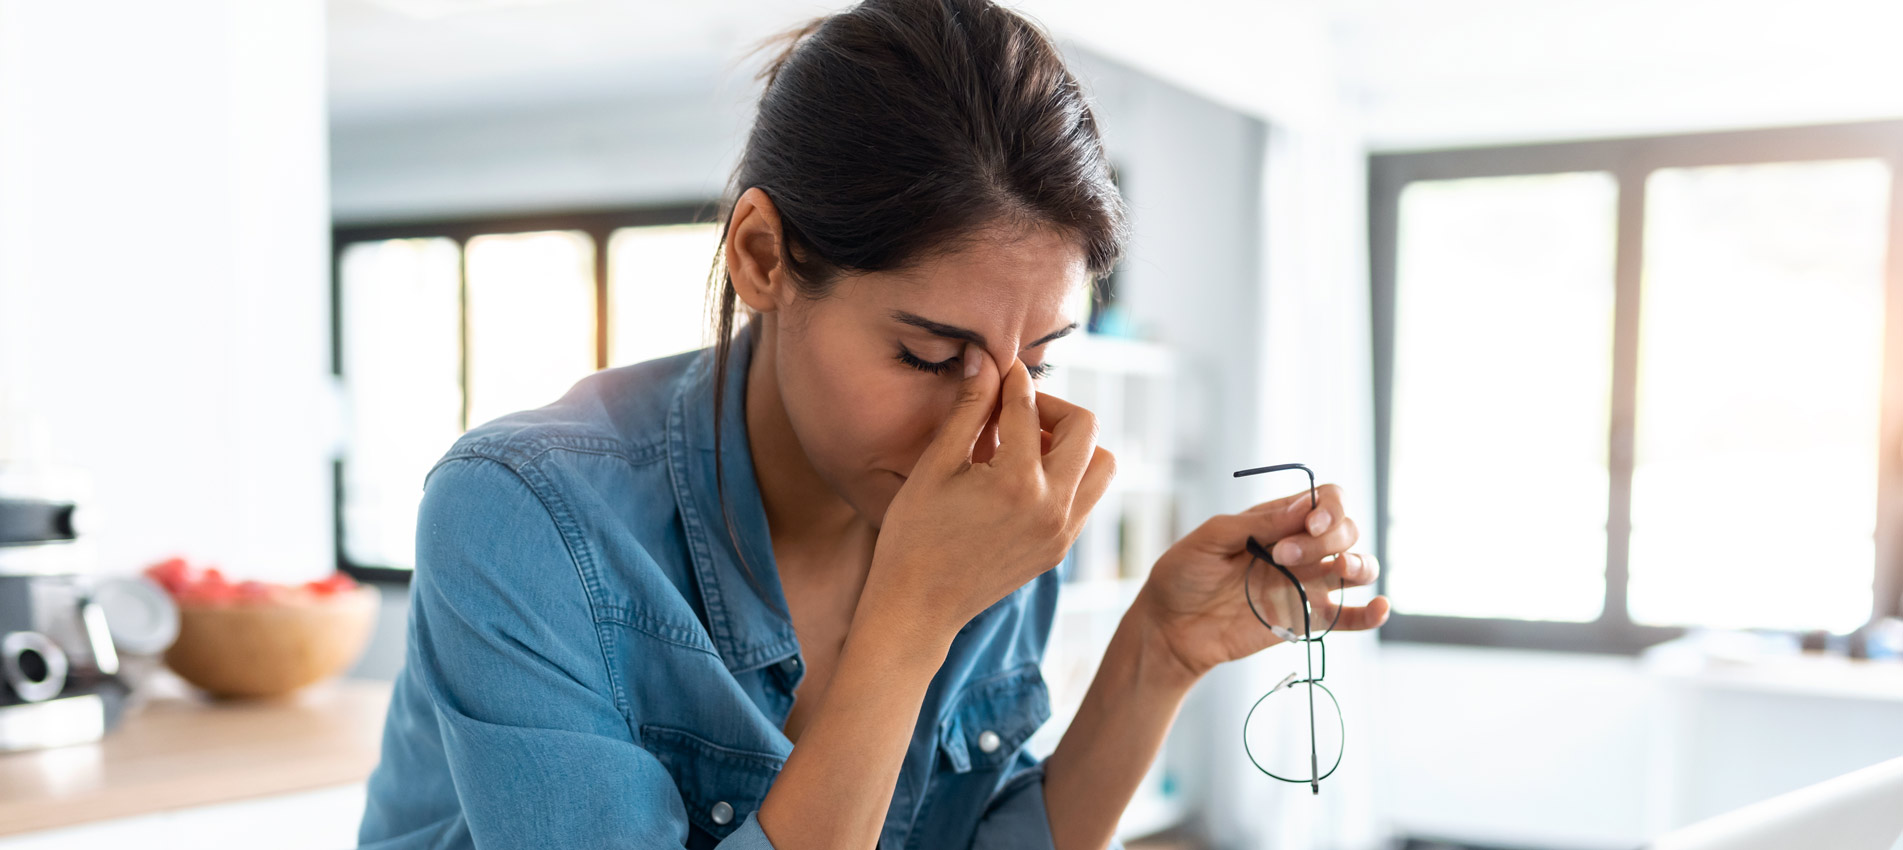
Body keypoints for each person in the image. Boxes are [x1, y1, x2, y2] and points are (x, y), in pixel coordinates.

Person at [356, 1, 1390, 848]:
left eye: (1037, 360)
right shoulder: (523, 512)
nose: (987, 429)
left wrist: (1159, 647)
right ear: (761, 257)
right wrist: (909, 620)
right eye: (930, 357)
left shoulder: (994, 501)